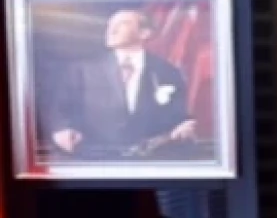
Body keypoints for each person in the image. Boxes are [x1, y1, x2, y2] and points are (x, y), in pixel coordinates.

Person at [46, 9, 196, 158]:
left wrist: (183, 126)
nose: (111, 30)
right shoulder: (82, 70)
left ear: (144, 33)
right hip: (95, 158)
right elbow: (60, 111)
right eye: (110, 25)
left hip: (149, 159)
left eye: (122, 24)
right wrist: (62, 130)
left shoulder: (167, 71)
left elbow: (177, 115)